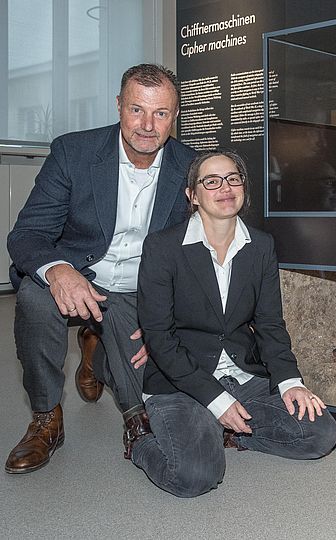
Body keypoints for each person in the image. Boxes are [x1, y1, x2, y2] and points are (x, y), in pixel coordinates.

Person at [5, 64, 197, 474]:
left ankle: (94, 352)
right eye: (136, 110)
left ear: (175, 115)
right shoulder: (73, 153)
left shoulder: (191, 167)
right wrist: (59, 270)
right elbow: (28, 234)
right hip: (81, 277)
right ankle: (45, 418)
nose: (147, 125)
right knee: (35, 297)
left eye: (161, 113)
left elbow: (198, 256)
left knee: (142, 385)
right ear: (118, 106)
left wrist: (172, 321)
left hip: (139, 293)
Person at [131, 150, 336, 497]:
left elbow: (271, 323)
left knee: (320, 434)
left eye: (233, 178)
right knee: (195, 476)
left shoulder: (260, 246)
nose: (224, 187)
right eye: (211, 181)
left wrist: (290, 383)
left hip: (241, 374)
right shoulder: (163, 247)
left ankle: (220, 431)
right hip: (181, 379)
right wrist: (216, 400)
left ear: (243, 187)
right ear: (192, 196)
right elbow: (159, 339)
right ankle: (140, 442)